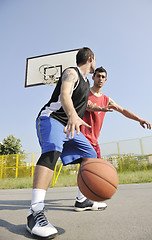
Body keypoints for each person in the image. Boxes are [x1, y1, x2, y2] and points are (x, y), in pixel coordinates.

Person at [26, 47, 107, 239]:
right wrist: (73, 115)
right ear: (91, 59)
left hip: (70, 126)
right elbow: (65, 94)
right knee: (52, 152)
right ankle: (34, 213)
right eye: (95, 61)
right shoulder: (71, 72)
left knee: (91, 156)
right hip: (53, 118)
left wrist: (102, 108)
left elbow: (85, 103)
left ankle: (82, 200)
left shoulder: (86, 83)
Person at [74, 66, 151, 211]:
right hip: (82, 136)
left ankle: (84, 198)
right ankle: (81, 200)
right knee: (88, 167)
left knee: (93, 169)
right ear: (93, 77)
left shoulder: (106, 99)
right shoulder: (85, 93)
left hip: (94, 139)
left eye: (103, 77)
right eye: (98, 76)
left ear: (106, 79)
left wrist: (139, 119)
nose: (100, 79)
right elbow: (88, 107)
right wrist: (100, 109)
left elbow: (122, 110)